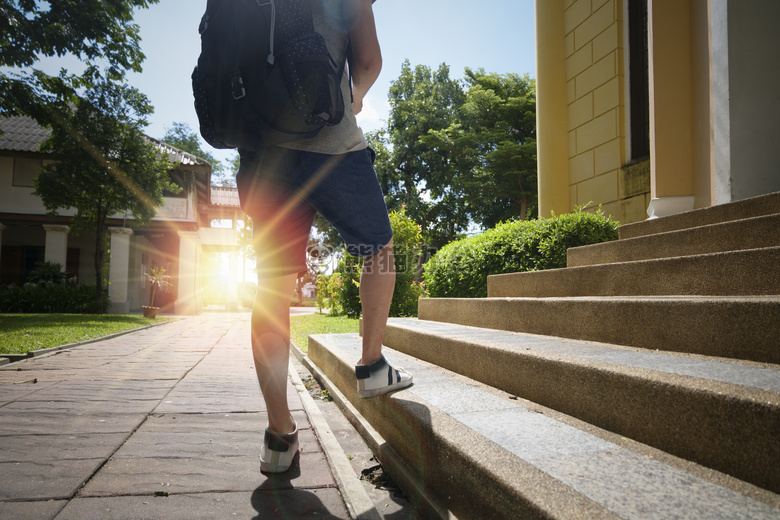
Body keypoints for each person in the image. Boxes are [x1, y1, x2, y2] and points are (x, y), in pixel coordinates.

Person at [235, 0, 412, 474]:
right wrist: (351, 96)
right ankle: (372, 365)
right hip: (331, 143)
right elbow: (370, 60)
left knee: (271, 285)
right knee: (377, 249)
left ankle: (279, 437)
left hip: (263, 153)